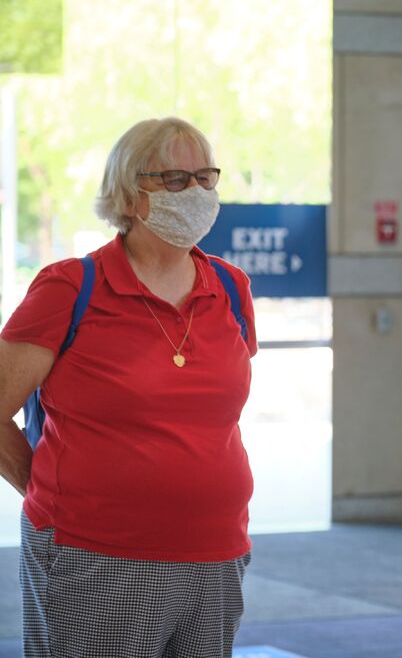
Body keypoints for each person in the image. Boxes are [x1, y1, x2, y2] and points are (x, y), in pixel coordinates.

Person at [0, 117, 258, 657]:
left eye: (206, 178)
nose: (197, 192)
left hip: (217, 553)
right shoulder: (70, 287)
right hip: (96, 555)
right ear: (129, 193)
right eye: (175, 179)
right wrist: (47, 493)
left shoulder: (230, 288)